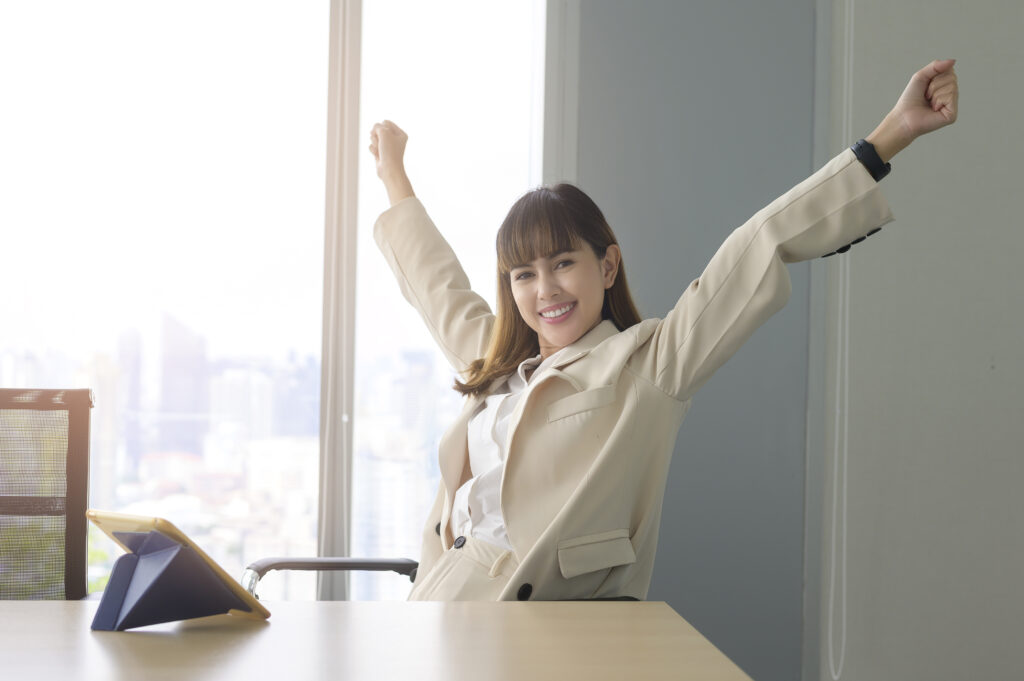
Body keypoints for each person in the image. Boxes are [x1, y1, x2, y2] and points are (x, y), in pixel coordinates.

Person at [367, 59, 959, 601]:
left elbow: (756, 247)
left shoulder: (646, 366)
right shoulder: (495, 367)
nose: (544, 289)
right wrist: (394, 173)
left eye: (563, 263)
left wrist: (888, 137)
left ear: (607, 265)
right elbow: (436, 286)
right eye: (524, 274)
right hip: (439, 604)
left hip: (538, 619)